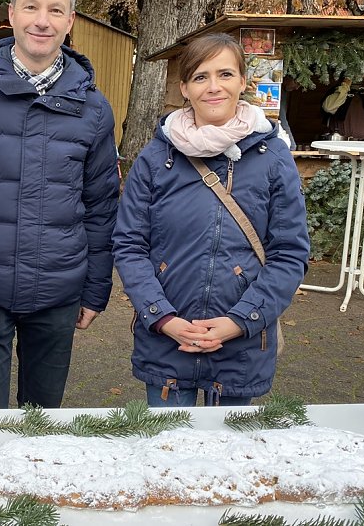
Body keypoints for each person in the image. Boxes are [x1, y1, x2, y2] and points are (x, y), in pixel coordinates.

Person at [0, 0, 121, 409]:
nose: (43, 20)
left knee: (43, 424)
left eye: (55, 10)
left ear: (69, 21)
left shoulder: (95, 110)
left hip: (59, 292)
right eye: (32, 7)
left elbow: (100, 207)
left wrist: (95, 288)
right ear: (13, 14)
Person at [112, 33, 310, 408]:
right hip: (167, 342)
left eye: (225, 74)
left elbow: (289, 254)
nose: (214, 87)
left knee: (231, 462)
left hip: (243, 345)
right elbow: (129, 245)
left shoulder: (273, 158)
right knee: (169, 455)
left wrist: (239, 320)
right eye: (201, 77)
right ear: (184, 87)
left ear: (241, 81)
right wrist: (163, 317)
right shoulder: (156, 160)